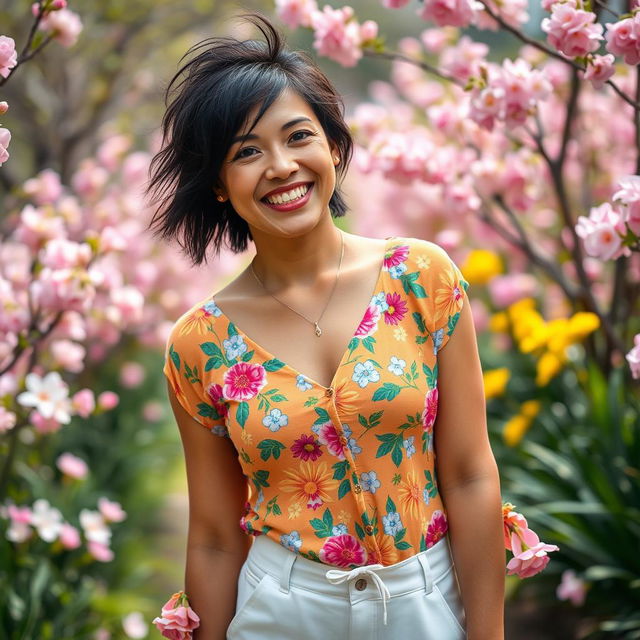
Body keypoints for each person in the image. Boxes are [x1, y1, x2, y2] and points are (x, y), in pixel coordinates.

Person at [147, 12, 505, 640]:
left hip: (424, 603)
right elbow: (210, 537)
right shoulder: (199, 344)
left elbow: (471, 474)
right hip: (281, 608)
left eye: (298, 136)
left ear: (334, 147)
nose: (281, 166)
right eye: (246, 153)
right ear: (221, 187)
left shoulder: (422, 277)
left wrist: (489, 632)